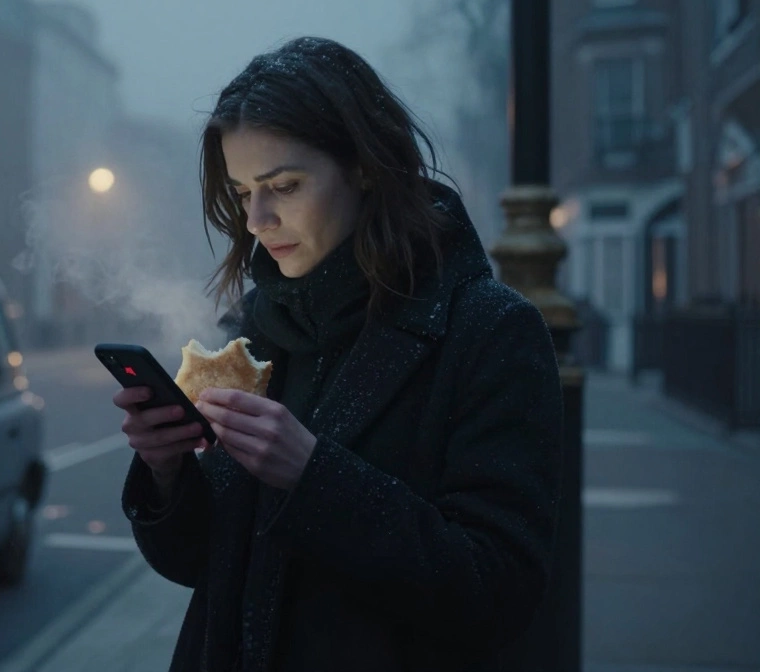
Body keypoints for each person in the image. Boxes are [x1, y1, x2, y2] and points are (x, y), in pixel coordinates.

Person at [112, 36, 563, 671]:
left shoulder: (488, 332)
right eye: (243, 193)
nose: (257, 220)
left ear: (364, 168)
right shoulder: (255, 330)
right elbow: (200, 568)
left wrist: (313, 476)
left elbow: (498, 594)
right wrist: (167, 474)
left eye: (285, 185)